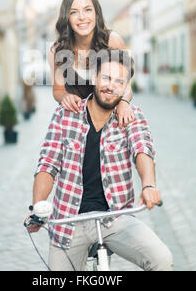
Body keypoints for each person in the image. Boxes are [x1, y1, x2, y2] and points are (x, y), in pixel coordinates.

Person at [27, 49, 173, 271]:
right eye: (105, 78)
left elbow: (142, 148)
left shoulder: (131, 116)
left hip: (114, 218)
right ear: (95, 78)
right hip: (68, 223)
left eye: (118, 81)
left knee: (161, 259)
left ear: (126, 88)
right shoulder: (65, 115)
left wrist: (149, 185)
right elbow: (48, 164)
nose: (110, 85)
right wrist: (38, 208)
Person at [48, 0, 135, 129]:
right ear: (67, 18)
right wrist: (65, 97)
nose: (82, 17)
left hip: (111, 122)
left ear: (96, 13)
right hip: (76, 125)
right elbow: (58, 90)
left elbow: (126, 86)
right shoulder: (58, 50)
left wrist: (124, 102)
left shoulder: (112, 41)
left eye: (87, 10)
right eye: (74, 12)